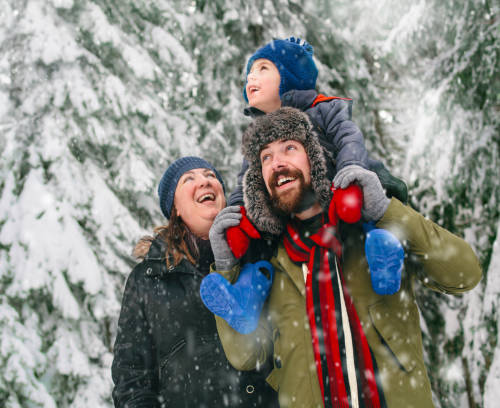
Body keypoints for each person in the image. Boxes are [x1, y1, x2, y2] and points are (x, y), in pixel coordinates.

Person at [208, 108, 482, 407]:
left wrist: (385, 212)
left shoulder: (374, 240)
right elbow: (245, 356)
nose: (278, 164)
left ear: (315, 157)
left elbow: (464, 274)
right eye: (266, 158)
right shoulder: (272, 267)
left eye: (289, 148)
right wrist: (226, 269)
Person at [111, 156, 279, 408]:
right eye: (189, 179)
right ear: (175, 208)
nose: (204, 181)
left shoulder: (259, 255)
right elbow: (132, 378)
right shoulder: (149, 278)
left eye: (211, 176)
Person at [229, 36, 407, 207]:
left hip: (345, 191)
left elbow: (348, 139)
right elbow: (246, 178)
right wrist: (237, 209)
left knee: (378, 196)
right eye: (249, 73)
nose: (250, 77)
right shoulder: (258, 135)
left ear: (288, 77)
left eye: (262, 69)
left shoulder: (323, 110)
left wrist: (350, 171)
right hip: (299, 209)